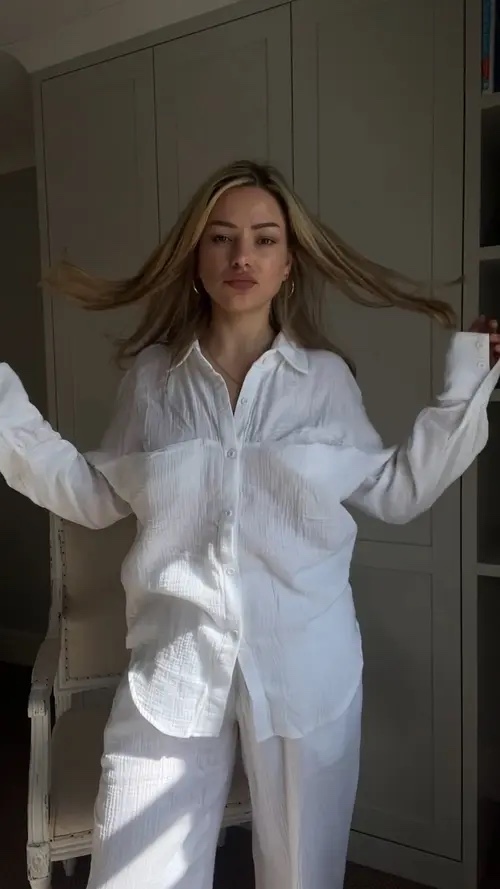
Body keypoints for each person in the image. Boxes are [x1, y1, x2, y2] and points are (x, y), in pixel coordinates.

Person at [1, 159, 499, 889]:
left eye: (265, 239)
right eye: (221, 238)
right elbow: (95, 495)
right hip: (172, 669)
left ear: (288, 263)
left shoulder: (324, 382)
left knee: (303, 874)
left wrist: (468, 386)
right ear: (196, 257)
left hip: (308, 669)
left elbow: (395, 492)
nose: (242, 256)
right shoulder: (153, 383)